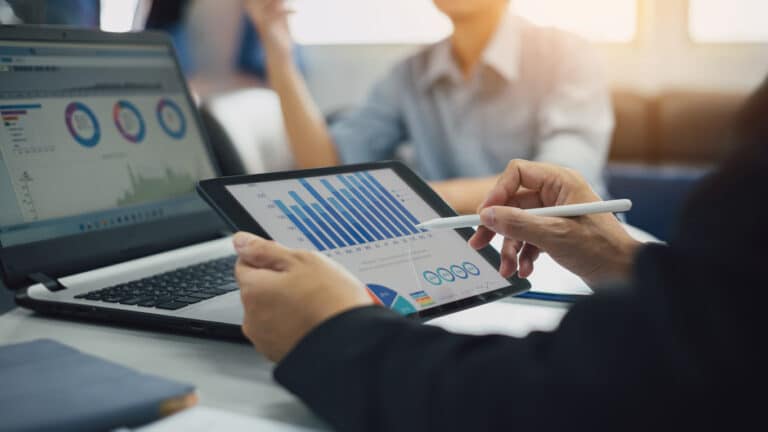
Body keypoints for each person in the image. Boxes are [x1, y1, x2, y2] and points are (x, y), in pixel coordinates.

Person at [230, 76, 768, 430]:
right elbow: (736, 315)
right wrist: (621, 260)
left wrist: (336, 337)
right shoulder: (408, 74)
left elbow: (590, 398)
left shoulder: (560, 54)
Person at [245, 0, 614, 214]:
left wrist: (396, 200)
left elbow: (561, 184)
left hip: (569, 259)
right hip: (461, 259)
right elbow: (325, 167)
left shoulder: (569, 57)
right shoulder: (408, 74)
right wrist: (279, 55)